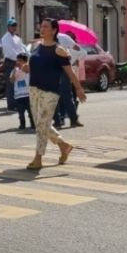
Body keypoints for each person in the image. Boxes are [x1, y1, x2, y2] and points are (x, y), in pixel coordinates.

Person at [26, 18, 86, 171]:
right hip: (34, 90)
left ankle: (38, 158)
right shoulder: (37, 46)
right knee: (42, 123)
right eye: (41, 26)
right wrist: (26, 67)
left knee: (41, 125)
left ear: (54, 31)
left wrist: (78, 89)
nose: (42, 29)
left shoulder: (59, 50)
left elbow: (70, 72)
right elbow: (32, 64)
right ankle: (63, 146)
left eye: (46, 27)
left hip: (50, 92)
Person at [54, 28, 83, 128]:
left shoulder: (63, 37)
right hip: (55, 69)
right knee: (59, 95)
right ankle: (61, 120)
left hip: (62, 69)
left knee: (64, 94)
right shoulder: (48, 39)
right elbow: (77, 48)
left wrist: (70, 55)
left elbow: (77, 48)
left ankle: (67, 119)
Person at [0, 17, 27, 111]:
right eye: (12, 25)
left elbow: (22, 49)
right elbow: (9, 51)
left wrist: (24, 58)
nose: (14, 27)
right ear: (8, 27)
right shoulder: (5, 38)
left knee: (20, 83)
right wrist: (19, 59)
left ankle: (18, 103)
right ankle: (11, 106)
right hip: (11, 62)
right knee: (11, 84)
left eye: (15, 25)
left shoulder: (17, 38)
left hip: (19, 62)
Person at [12, 52, 32, 131]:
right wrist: (14, 70)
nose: (18, 62)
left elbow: (27, 70)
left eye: (20, 60)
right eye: (17, 60)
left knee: (31, 112)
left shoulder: (28, 68)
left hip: (28, 95)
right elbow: (12, 80)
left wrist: (22, 67)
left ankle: (33, 124)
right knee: (20, 112)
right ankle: (22, 124)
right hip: (19, 95)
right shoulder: (15, 70)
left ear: (25, 61)